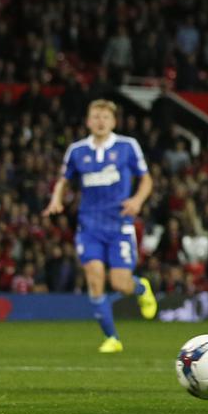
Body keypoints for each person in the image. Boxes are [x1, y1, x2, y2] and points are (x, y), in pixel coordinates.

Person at [43, 99, 157, 352]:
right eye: (96, 116)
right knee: (94, 278)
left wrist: (138, 200)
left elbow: (146, 179)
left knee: (119, 283)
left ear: (114, 122)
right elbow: (64, 179)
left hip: (119, 225)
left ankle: (140, 287)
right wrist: (56, 199)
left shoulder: (128, 146)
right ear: (88, 121)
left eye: (105, 117)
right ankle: (112, 338)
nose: (100, 121)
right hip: (89, 226)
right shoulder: (76, 150)